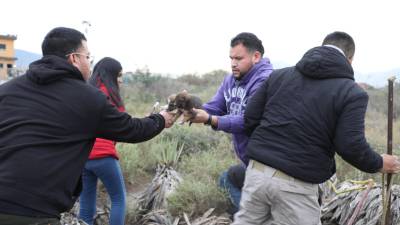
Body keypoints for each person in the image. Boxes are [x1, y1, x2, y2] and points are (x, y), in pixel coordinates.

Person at [0, 27, 174, 225]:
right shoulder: (87, 97)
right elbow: (132, 129)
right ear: (74, 58)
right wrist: (161, 119)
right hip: (34, 213)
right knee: (118, 198)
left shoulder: (6, 91)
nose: (90, 64)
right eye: (88, 57)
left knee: (87, 205)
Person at [233, 31, 400, 225]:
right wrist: (379, 162)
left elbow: (250, 119)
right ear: (350, 59)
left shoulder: (279, 76)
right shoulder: (351, 92)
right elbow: (350, 146)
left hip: (257, 174)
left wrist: (269, 149)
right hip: (296, 185)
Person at [188, 32, 273, 214]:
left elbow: (249, 120)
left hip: (270, 164)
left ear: (256, 56)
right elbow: (215, 106)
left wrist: (212, 120)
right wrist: (192, 109)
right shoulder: (231, 79)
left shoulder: (265, 81)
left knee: (231, 183)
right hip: (251, 161)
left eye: (239, 58)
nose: (233, 63)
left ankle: (249, 217)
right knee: (226, 179)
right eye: (231, 58)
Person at [78, 57, 127, 225]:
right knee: (119, 199)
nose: (120, 80)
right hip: (104, 155)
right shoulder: (110, 95)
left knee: (85, 205)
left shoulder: (86, 92)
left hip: (84, 157)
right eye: (119, 75)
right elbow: (123, 127)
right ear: (111, 74)